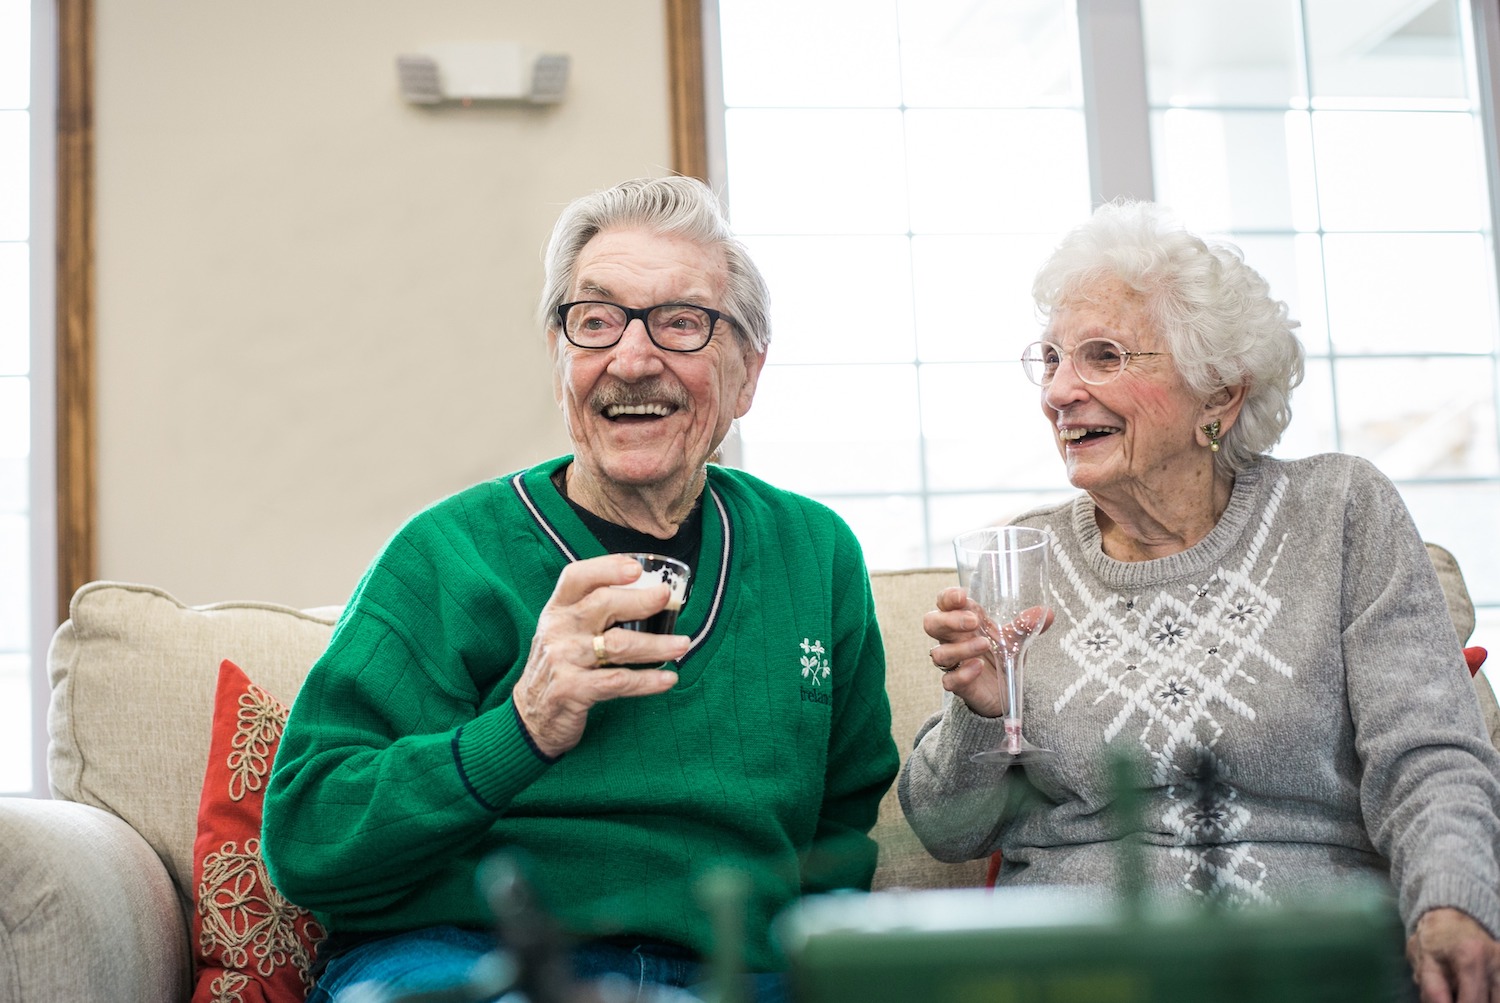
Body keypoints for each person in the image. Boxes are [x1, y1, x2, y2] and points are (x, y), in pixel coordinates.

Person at [262, 175, 899, 1003]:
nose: (632, 359)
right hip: (468, 955)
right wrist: (521, 727)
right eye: (595, 321)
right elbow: (308, 841)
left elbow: (840, 843)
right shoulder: (446, 556)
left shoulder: (814, 556)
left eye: (682, 322)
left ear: (747, 375)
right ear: (563, 362)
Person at [899, 199, 1500, 1002]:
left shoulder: (1341, 512)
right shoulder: (1023, 561)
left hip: (1311, 960)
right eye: (1051, 358)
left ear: (1218, 395)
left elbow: (1428, 755)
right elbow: (946, 830)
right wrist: (978, 713)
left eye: (1103, 356)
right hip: (1090, 971)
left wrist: (1453, 900)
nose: (1060, 391)